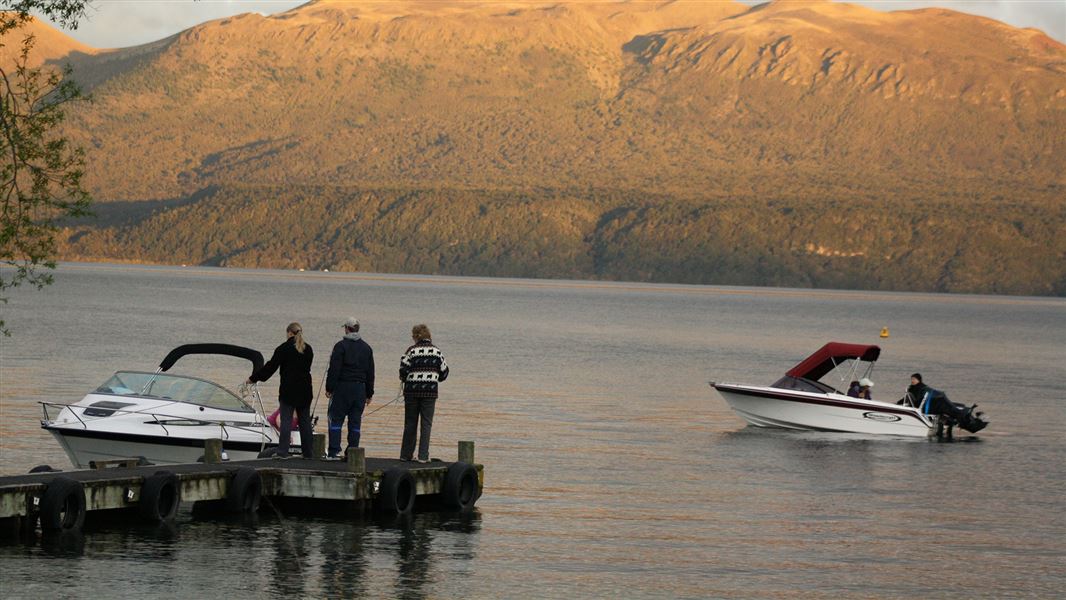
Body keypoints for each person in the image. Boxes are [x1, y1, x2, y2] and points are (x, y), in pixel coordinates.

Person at [248, 322, 314, 458]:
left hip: (288, 390)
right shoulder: (309, 349)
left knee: (286, 421)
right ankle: (308, 454)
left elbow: (270, 367)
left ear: (289, 333)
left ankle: (283, 452)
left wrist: (254, 378)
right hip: (305, 391)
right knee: (305, 422)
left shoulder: (283, 348)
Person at [399, 324, 450, 463]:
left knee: (410, 423)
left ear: (415, 337)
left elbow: (403, 370)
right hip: (429, 393)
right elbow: (444, 373)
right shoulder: (437, 352)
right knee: (426, 424)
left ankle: (406, 455)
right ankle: (422, 456)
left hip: (411, 392)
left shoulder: (411, 351)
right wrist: (435, 378)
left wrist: (405, 378)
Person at [325, 317, 375, 459]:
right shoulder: (367, 348)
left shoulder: (340, 346)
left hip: (342, 387)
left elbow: (334, 369)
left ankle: (334, 451)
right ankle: (353, 451)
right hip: (360, 389)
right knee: (355, 421)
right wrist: (369, 393)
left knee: (335, 419)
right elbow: (370, 372)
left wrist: (329, 388)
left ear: (347, 328)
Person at [902, 373, 987, 433]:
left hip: (930, 406)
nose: (912, 381)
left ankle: (967, 416)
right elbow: (907, 398)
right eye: (911, 379)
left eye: (914, 379)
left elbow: (918, 399)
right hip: (930, 405)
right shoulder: (913, 388)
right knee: (948, 407)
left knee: (953, 406)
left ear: (919, 380)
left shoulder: (922, 388)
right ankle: (965, 414)